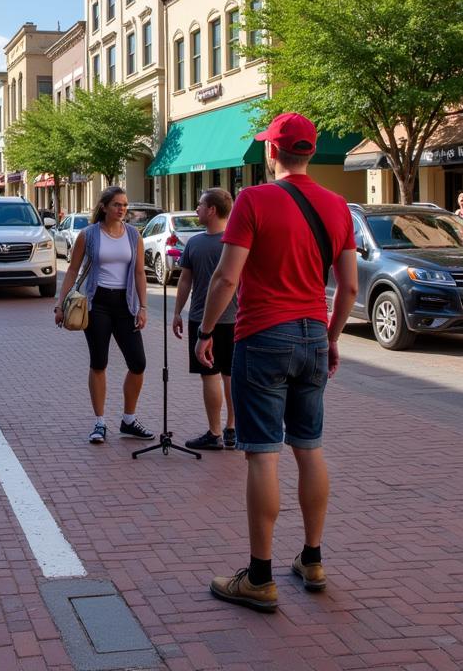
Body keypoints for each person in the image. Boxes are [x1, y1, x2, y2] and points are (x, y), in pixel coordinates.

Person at [197, 113, 358, 613]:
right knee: (309, 447)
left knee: (262, 453)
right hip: (313, 332)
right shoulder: (337, 206)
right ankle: (312, 559)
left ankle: (260, 576)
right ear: (310, 152)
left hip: (263, 335)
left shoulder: (254, 200)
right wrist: (330, 338)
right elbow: (348, 287)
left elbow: (226, 279)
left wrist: (206, 331)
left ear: (273, 153)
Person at [55, 186, 154, 445]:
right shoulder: (88, 235)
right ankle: (99, 422)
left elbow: (140, 273)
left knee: (138, 363)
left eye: (124, 205)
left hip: (126, 304)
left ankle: (129, 419)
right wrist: (60, 304)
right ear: (104, 207)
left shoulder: (134, 235)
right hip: (96, 304)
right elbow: (73, 270)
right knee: (99, 362)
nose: (122, 209)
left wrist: (143, 307)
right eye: (117, 205)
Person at [171, 189, 237, 450]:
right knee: (231, 375)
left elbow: (185, 281)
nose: (196, 209)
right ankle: (232, 429)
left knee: (210, 376)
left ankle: (215, 432)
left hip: (201, 319)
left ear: (211, 210)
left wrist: (178, 312)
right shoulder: (236, 244)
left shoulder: (195, 244)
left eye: (200, 205)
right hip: (234, 318)